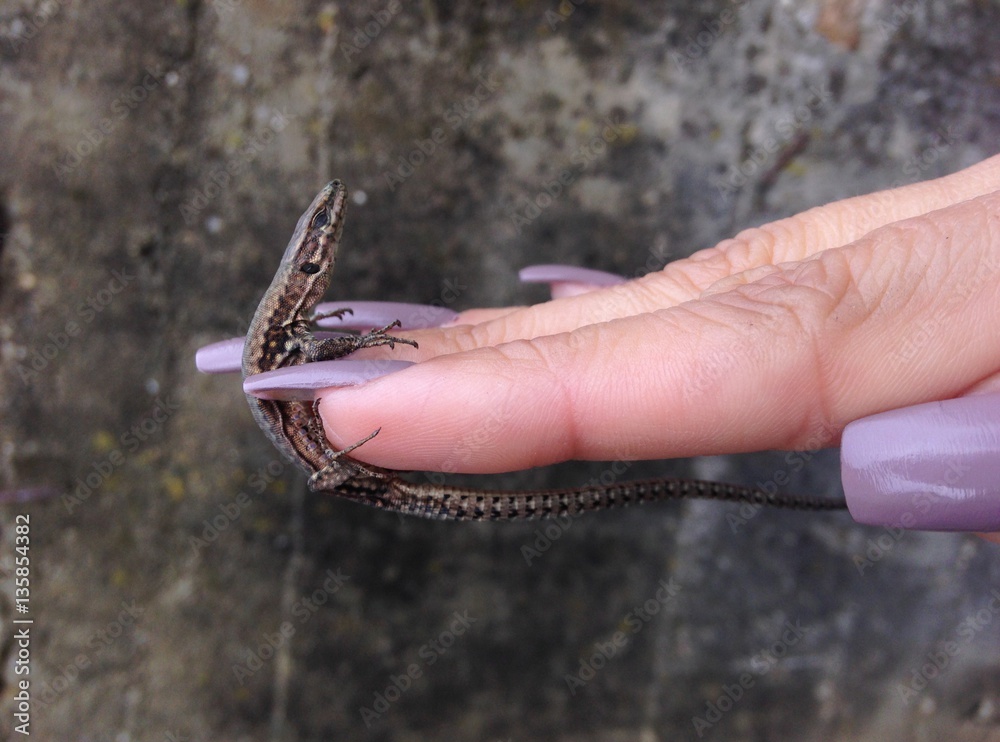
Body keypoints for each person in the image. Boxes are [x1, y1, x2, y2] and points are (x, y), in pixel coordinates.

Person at [232, 154, 1000, 540]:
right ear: (308, 268)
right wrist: (357, 355)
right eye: (319, 233)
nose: (327, 228)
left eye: (321, 228)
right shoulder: (285, 331)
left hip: (348, 453)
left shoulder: (287, 328)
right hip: (344, 471)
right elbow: (322, 462)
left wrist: (361, 344)